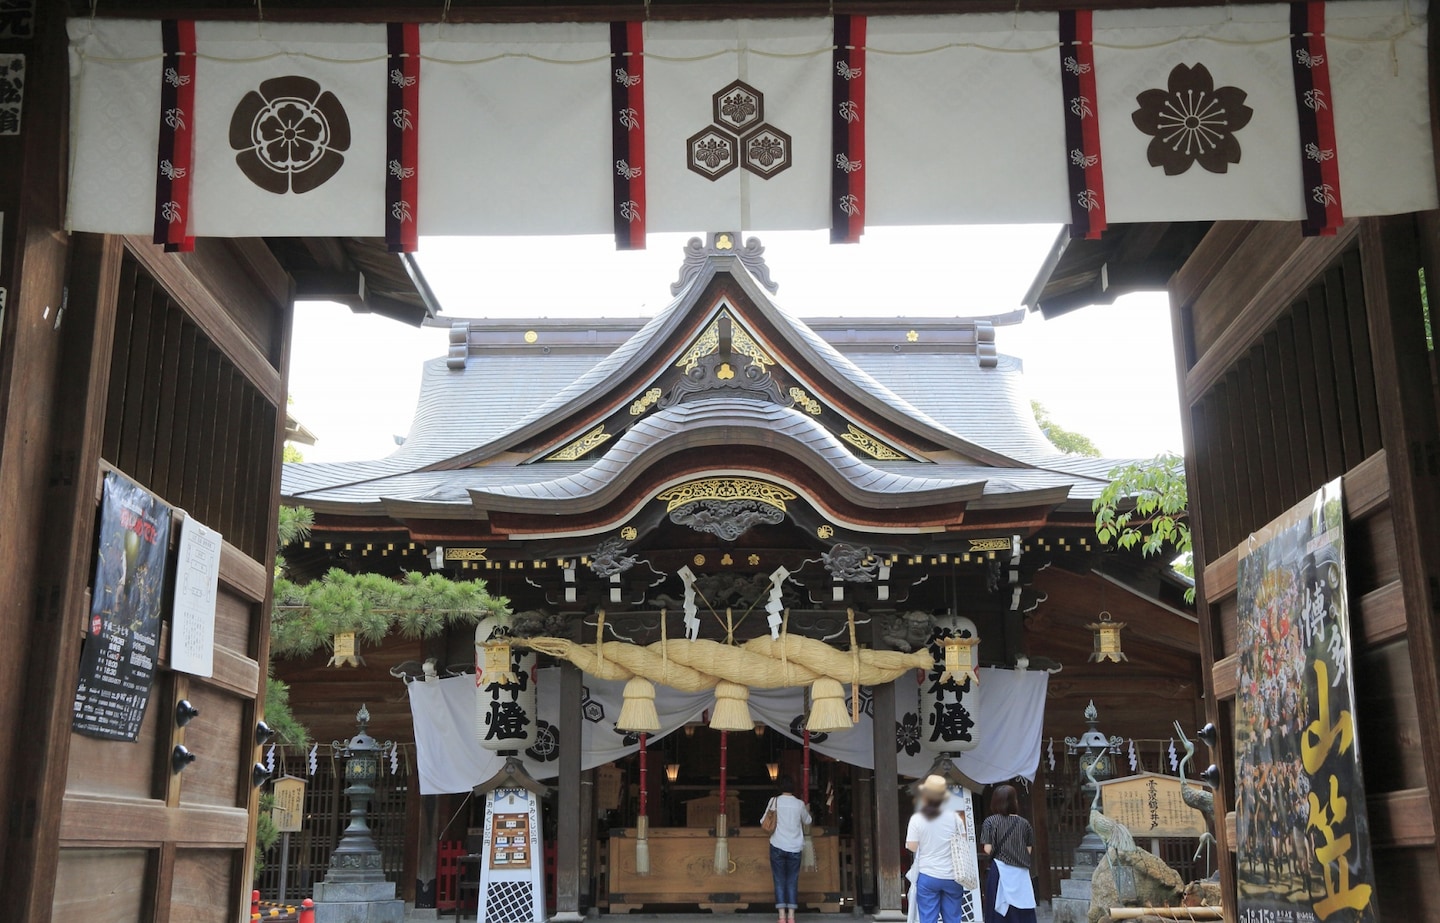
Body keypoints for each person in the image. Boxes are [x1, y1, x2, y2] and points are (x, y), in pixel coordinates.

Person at [905, 775, 971, 923]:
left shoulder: (917, 818)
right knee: (953, 918)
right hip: (953, 875)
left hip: (928, 874)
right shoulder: (955, 818)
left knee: (928, 918)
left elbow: (912, 846)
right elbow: (963, 841)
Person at [979, 784, 1037, 923]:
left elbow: (987, 848)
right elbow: (1029, 850)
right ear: (1014, 802)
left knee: (998, 909)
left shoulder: (990, 822)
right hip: (1020, 872)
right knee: (1022, 906)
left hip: (999, 870)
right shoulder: (1024, 823)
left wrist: (1002, 853)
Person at [766, 775, 811, 923]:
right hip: (795, 847)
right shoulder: (799, 804)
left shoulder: (774, 802)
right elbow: (808, 821)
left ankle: (781, 916)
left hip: (777, 845)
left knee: (779, 880)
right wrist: (807, 809)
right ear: (793, 788)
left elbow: (763, 821)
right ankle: (791, 916)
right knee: (792, 880)